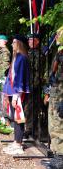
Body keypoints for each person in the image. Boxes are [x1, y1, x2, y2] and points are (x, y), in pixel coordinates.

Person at [2, 35, 30, 155]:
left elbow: (20, 79)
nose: (12, 44)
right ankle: (15, 141)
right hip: (12, 91)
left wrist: (15, 96)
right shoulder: (16, 57)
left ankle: (18, 144)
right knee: (15, 118)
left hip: (17, 93)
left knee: (19, 118)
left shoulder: (22, 58)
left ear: (19, 44)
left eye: (14, 42)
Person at [43, 26, 63, 168]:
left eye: (58, 34)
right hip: (56, 94)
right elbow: (52, 76)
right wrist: (48, 92)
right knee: (53, 125)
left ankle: (60, 159)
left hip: (61, 96)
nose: (55, 37)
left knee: (59, 127)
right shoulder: (59, 52)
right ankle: (56, 155)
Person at [24, 33, 45, 139]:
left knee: (32, 107)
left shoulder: (39, 54)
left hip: (34, 84)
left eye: (32, 40)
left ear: (37, 41)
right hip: (28, 83)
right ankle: (29, 128)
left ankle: (31, 130)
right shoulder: (29, 52)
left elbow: (38, 71)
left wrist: (35, 85)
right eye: (29, 40)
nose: (30, 42)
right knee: (28, 107)